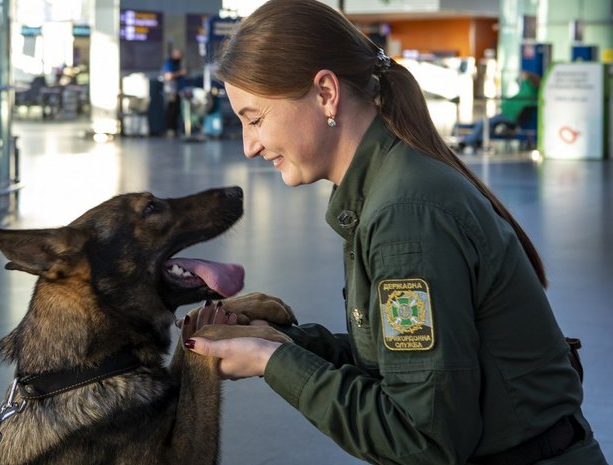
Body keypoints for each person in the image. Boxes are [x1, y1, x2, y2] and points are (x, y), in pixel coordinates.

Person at [182, 0, 609, 463]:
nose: (250, 146)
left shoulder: (406, 216)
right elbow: (402, 368)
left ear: (325, 92)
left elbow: (422, 440)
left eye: (255, 118)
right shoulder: (391, 187)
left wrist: (272, 362)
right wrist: (282, 342)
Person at [458, 71, 540, 150]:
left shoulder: (528, 91)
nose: (521, 78)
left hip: (509, 117)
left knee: (483, 122)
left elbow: (526, 92)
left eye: (523, 77)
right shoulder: (526, 92)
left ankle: (467, 142)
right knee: (487, 125)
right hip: (506, 115)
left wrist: (525, 79)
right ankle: (476, 141)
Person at [161, 48, 186, 137]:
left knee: (176, 110)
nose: (180, 56)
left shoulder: (178, 63)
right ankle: (170, 129)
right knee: (171, 110)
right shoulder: (169, 63)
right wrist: (180, 73)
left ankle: (175, 129)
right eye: (178, 54)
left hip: (177, 90)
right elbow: (168, 76)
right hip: (171, 91)